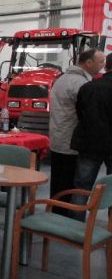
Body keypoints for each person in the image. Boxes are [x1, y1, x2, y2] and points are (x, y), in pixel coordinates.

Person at [48, 48, 105, 213]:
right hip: (71, 142)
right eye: (100, 62)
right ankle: (65, 223)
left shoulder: (63, 78)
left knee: (58, 184)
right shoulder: (81, 84)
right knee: (70, 186)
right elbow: (86, 115)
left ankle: (55, 216)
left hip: (59, 138)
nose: (103, 66)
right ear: (88, 63)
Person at [70, 52, 112, 220]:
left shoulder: (88, 87)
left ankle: (75, 224)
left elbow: (80, 113)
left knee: (82, 186)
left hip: (89, 143)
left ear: (106, 66)